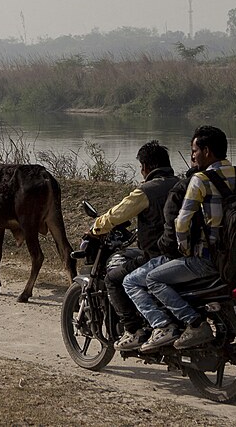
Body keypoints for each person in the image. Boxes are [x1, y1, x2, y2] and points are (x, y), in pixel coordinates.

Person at [139, 125, 236, 352]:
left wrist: (184, 250)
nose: (192, 156)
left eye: (195, 151)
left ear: (207, 151)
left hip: (208, 260)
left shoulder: (201, 179)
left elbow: (181, 222)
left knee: (153, 279)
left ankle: (193, 323)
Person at [89, 140, 179, 351]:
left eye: (141, 167)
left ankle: (134, 330)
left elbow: (117, 214)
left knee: (113, 278)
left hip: (157, 255)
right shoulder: (182, 185)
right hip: (181, 253)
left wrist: (96, 227)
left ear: (146, 167)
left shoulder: (146, 191)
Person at [120, 163, 202, 351]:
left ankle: (162, 325)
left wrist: (164, 247)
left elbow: (176, 230)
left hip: (187, 258)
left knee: (133, 281)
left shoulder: (180, 193)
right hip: (221, 259)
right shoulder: (221, 191)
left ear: (144, 167)